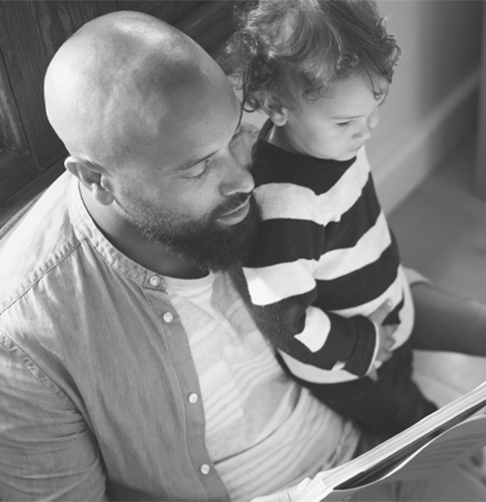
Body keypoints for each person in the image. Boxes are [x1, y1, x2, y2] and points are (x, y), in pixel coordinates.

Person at [1, 9, 486, 502]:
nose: (244, 180)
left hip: (374, 446)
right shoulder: (27, 343)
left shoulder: (253, 150)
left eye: (235, 134)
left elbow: (358, 281)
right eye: (198, 169)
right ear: (96, 179)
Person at [224, 0, 435, 436]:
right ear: (277, 105)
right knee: (409, 421)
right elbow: (283, 320)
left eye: (374, 108)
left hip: (384, 329)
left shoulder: (331, 141)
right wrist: (362, 347)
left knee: (405, 382)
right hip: (347, 367)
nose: (367, 129)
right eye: (346, 122)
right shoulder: (285, 206)